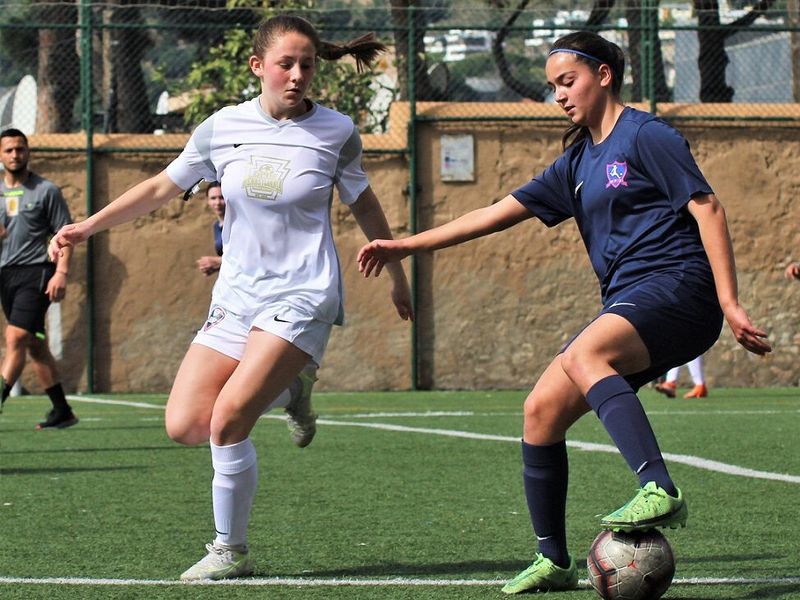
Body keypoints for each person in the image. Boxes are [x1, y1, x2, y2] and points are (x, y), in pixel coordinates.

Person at [357, 31, 771, 594]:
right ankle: (553, 560)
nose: (559, 95)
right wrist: (405, 245)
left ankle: (659, 487)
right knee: (540, 411)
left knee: (585, 353)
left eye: (567, 81)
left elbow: (709, 208)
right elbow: (494, 212)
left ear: (604, 75)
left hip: (679, 288)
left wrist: (730, 300)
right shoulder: (576, 161)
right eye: (552, 86)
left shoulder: (647, 135)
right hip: (633, 299)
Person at [49, 15, 412, 581]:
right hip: (237, 295)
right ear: (257, 66)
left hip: (302, 293)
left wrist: (394, 269)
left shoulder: (337, 131)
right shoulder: (222, 127)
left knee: (227, 421)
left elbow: (362, 203)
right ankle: (293, 388)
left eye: (307, 65)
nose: (297, 75)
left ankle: (229, 549)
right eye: (285, 64)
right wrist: (85, 228)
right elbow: (158, 188)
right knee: (186, 425)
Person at [0, 128, 77, 430]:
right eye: (9, 150)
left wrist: (61, 272)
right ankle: (62, 410)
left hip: (37, 272)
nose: (15, 155)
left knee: (15, 336)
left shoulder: (47, 190)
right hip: (6, 274)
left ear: (28, 151)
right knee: (33, 343)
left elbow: (66, 235)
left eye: (20, 149)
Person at [196, 181, 225, 276]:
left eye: (221, 197)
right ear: (208, 201)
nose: (217, 203)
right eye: (213, 198)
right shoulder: (216, 226)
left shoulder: (239, 224)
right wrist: (214, 267)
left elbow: (250, 257)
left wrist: (218, 261)